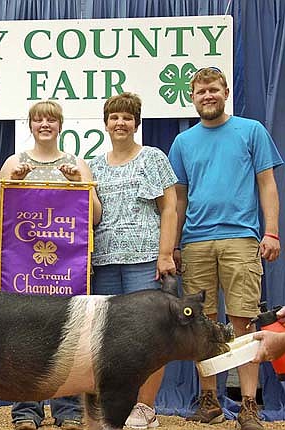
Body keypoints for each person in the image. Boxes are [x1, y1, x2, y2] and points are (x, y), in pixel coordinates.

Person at [168, 67, 282, 430]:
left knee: (244, 321)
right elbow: (179, 199)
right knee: (202, 324)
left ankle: (249, 406)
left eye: (213, 90)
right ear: (192, 97)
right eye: (201, 91)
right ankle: (210, 401)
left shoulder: (251, 131)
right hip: (196, 241)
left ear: (226, 91)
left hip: (241, 239)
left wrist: (272, 232)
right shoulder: (183, 143)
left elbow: (267, 184)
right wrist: (173, 245)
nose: (208, 96)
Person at [0, 100, 101, 430]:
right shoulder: (14, 162)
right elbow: (1, 211)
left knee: (67, 337)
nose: (45, 125)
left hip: (66, 271)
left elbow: (95, 215)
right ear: (30, 126)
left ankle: (68, 410)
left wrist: (76, 186)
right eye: (38, 120)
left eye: (51, 120)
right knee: (22, 338)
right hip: (24, 272)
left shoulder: (77, 164)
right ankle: (25, 411)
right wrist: (10, 182)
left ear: (60, 126)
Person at [88, 92, 177, 428]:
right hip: (105, 262)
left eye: (127, 117)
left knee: (152, 334)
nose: (120, 123)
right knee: (111, 337)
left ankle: (146, 407)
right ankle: (119, 405)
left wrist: (165, 254)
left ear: (136, 123)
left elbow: (169, 208)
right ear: (106, 124)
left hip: (145, 260)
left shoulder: (153, 158)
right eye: (114, 117)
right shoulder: (93, 166)